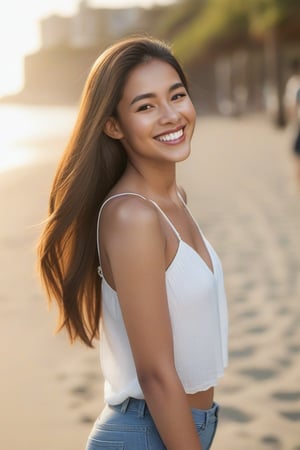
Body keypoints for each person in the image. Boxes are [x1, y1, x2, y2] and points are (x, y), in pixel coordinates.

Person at [37, 35, 228, 450]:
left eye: (176, 96)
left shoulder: (173, 199)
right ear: (113, 125)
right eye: (146, 106)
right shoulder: (132, 216)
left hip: (182, 426)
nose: (170, 115)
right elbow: (156, 374)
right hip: (146, 435)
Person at [284, 58, 300, 188]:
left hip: (298, 123)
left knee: (297, 153)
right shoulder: (294, 84)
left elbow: (292, 106)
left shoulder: (294, 84)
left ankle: (297, 182)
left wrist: (292, 123)